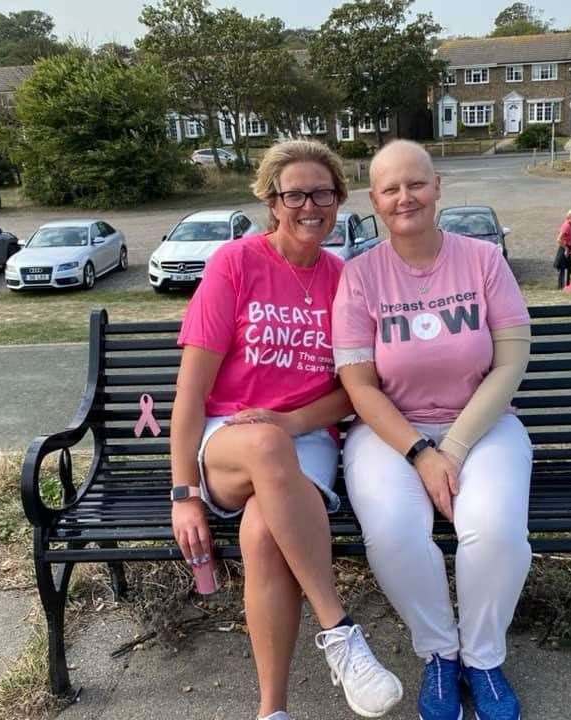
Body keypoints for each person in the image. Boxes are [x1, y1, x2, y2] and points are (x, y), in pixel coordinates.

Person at [170, 139, 403, 720]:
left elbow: (354, 391)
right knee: (267, 444)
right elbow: (191, 391)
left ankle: (271, 711)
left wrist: (290, 420)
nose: (309, 205)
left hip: (305, 441)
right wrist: (184, 495)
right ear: (272, 202)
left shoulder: (341, 278)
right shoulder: (236, 264)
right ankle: (340, 631)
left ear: (338, 201)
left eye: (322, 193)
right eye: (294, 193)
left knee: (264, 536)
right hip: (229, 441)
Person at [332, 140, 534, 720]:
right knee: (393, 533)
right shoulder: (361, 276)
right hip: (389, 434)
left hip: (483, 424)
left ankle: (484, 658)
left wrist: (456, 445)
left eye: (415, 183)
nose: (404, 197)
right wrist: (421, 452)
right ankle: (440, 654)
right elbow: (360, 385)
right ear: (375, 200)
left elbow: (510, 361)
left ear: (437, 186)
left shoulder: (482, 260)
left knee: (494, 531)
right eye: (390, 189)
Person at [553, 208, 571, 289]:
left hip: (569, 250)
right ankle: (563, 287)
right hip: (564, 251)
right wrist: (566, 248)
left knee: (568, 269)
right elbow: (559, 239)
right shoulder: (566, 225)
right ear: (570, 217)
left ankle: (567, 286)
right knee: (564, 270)